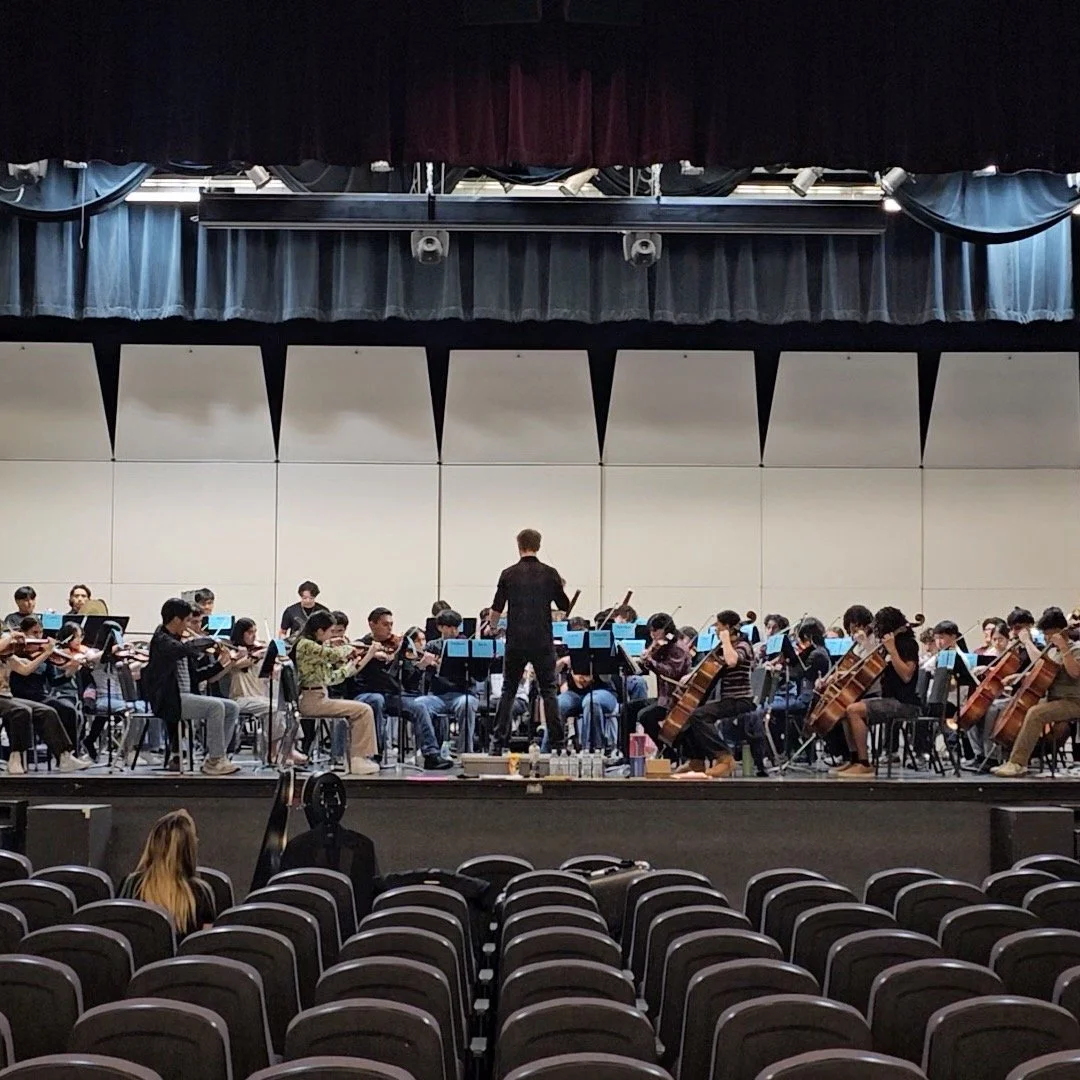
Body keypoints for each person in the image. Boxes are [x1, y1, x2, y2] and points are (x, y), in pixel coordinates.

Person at [488, 528, 572, 754]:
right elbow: (565, 606)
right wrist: (559, 588)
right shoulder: (550, 573)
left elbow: (496, 608)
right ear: (539, 545)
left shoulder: (508, 574)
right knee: (549, 691)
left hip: (515, 641)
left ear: (518, 545)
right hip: (542, 641)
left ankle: (498, 744)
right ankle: (557, 744)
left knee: (508, 690)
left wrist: (492, 628)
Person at [344, 607, 452, 772]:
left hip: (393, 695)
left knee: (420, 706)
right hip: (366, 694)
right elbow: (352, 672)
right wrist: (370, 655)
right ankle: (374, 754)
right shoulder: (362, 645)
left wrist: (420, 666)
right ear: (372, 624)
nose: (390, 629)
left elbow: (409, 680)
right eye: (385, 624)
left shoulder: (399, 647)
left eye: (391, 624)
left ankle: (431, 754)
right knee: (376, 700)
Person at [141, 598, 240, 776]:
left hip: (184, 697)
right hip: (169, 699)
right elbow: (184, 649)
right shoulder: (162, 640)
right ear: (177, 620)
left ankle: (215, 757)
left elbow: (196, 676)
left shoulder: (177, 642)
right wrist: (208, 641)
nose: (189, 626)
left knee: (232, 707)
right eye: (187, 620)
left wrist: (220, 664)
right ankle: (216, 761)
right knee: (216, 707)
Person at [992, 606, 1080, 777]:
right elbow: (1043, 668)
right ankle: (1009, 756)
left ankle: (1018, 763)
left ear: (1059, 631)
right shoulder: (1053, 651)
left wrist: (1064, 648)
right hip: (1055, 699)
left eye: (1049, 634)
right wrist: (1021, 675)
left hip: (1074, 700)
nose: (1046, 638)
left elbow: (1075, 672)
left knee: (1036, 713)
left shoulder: (1075, 649)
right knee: (1017, 707)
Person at [833, 606, 920, 779]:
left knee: (854, 710)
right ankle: (855, 759)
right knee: (844, 709)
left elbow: (906, 676)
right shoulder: (888, 645)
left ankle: (865, 764)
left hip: (904, 702)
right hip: (888, 698)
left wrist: (892, 650)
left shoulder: (907, 644)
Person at [292, 611, 379, 775]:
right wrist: (348, 647)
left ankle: (360, 757)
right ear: (319, 631)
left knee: (362, 708)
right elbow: (333, 655)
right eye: (331, 631)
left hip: (320, 695)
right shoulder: (306, 645)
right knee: (364, 710)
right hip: (312, 700)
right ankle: (358, 758)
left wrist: (350, 666)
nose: (332, 636)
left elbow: (332, 678)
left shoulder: (315, 649)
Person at [0, 629, 89, 774]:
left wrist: (46, 654)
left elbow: (26, 669)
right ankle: (15, 757)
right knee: (21, 711)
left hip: (7, 698)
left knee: (47, 711)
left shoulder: (9, 658)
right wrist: (10, 636)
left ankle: (64, 757)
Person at [119, 809, 216, 938]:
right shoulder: (202, 893)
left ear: (152, 844)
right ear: (189, 849)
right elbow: (204, 947)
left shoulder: (131, 886)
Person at [228, 617, 307, 766]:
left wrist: (276, 662)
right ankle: (273, 750)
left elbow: (271, 670)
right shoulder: (234, 652)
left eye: (255, 632)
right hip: (241, 697)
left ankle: (290, 747)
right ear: (241, 634)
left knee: (288, 706)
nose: (254, 636)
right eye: (250, 632)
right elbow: (236, 665)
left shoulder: (259, 650)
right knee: (274, 708)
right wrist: (255, 655)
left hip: (259, 697)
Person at [622, 613, 694, 754]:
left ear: (665, 630)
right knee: (628, 708)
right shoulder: (665, 646)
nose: (652, 634)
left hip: (674, 699)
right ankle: (628, 753)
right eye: (651, 631)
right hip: (663, 699)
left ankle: (667, 752)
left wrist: (651, 661)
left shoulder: (677, 647)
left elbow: (671, 672)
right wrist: (643, 662)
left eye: (655, 630)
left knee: (645, 716)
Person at [424, 610, 480, 754]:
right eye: (449, 627)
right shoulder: (432, 646)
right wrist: (428, 664)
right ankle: (430, 752)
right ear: (440, 628)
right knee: (419, 705)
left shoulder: (468, 644)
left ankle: (465, 753)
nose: (454, 631)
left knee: (466, 705)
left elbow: (477, 674)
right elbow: (426, 676)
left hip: (463, 693)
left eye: (456, 627)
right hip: (437, 695)